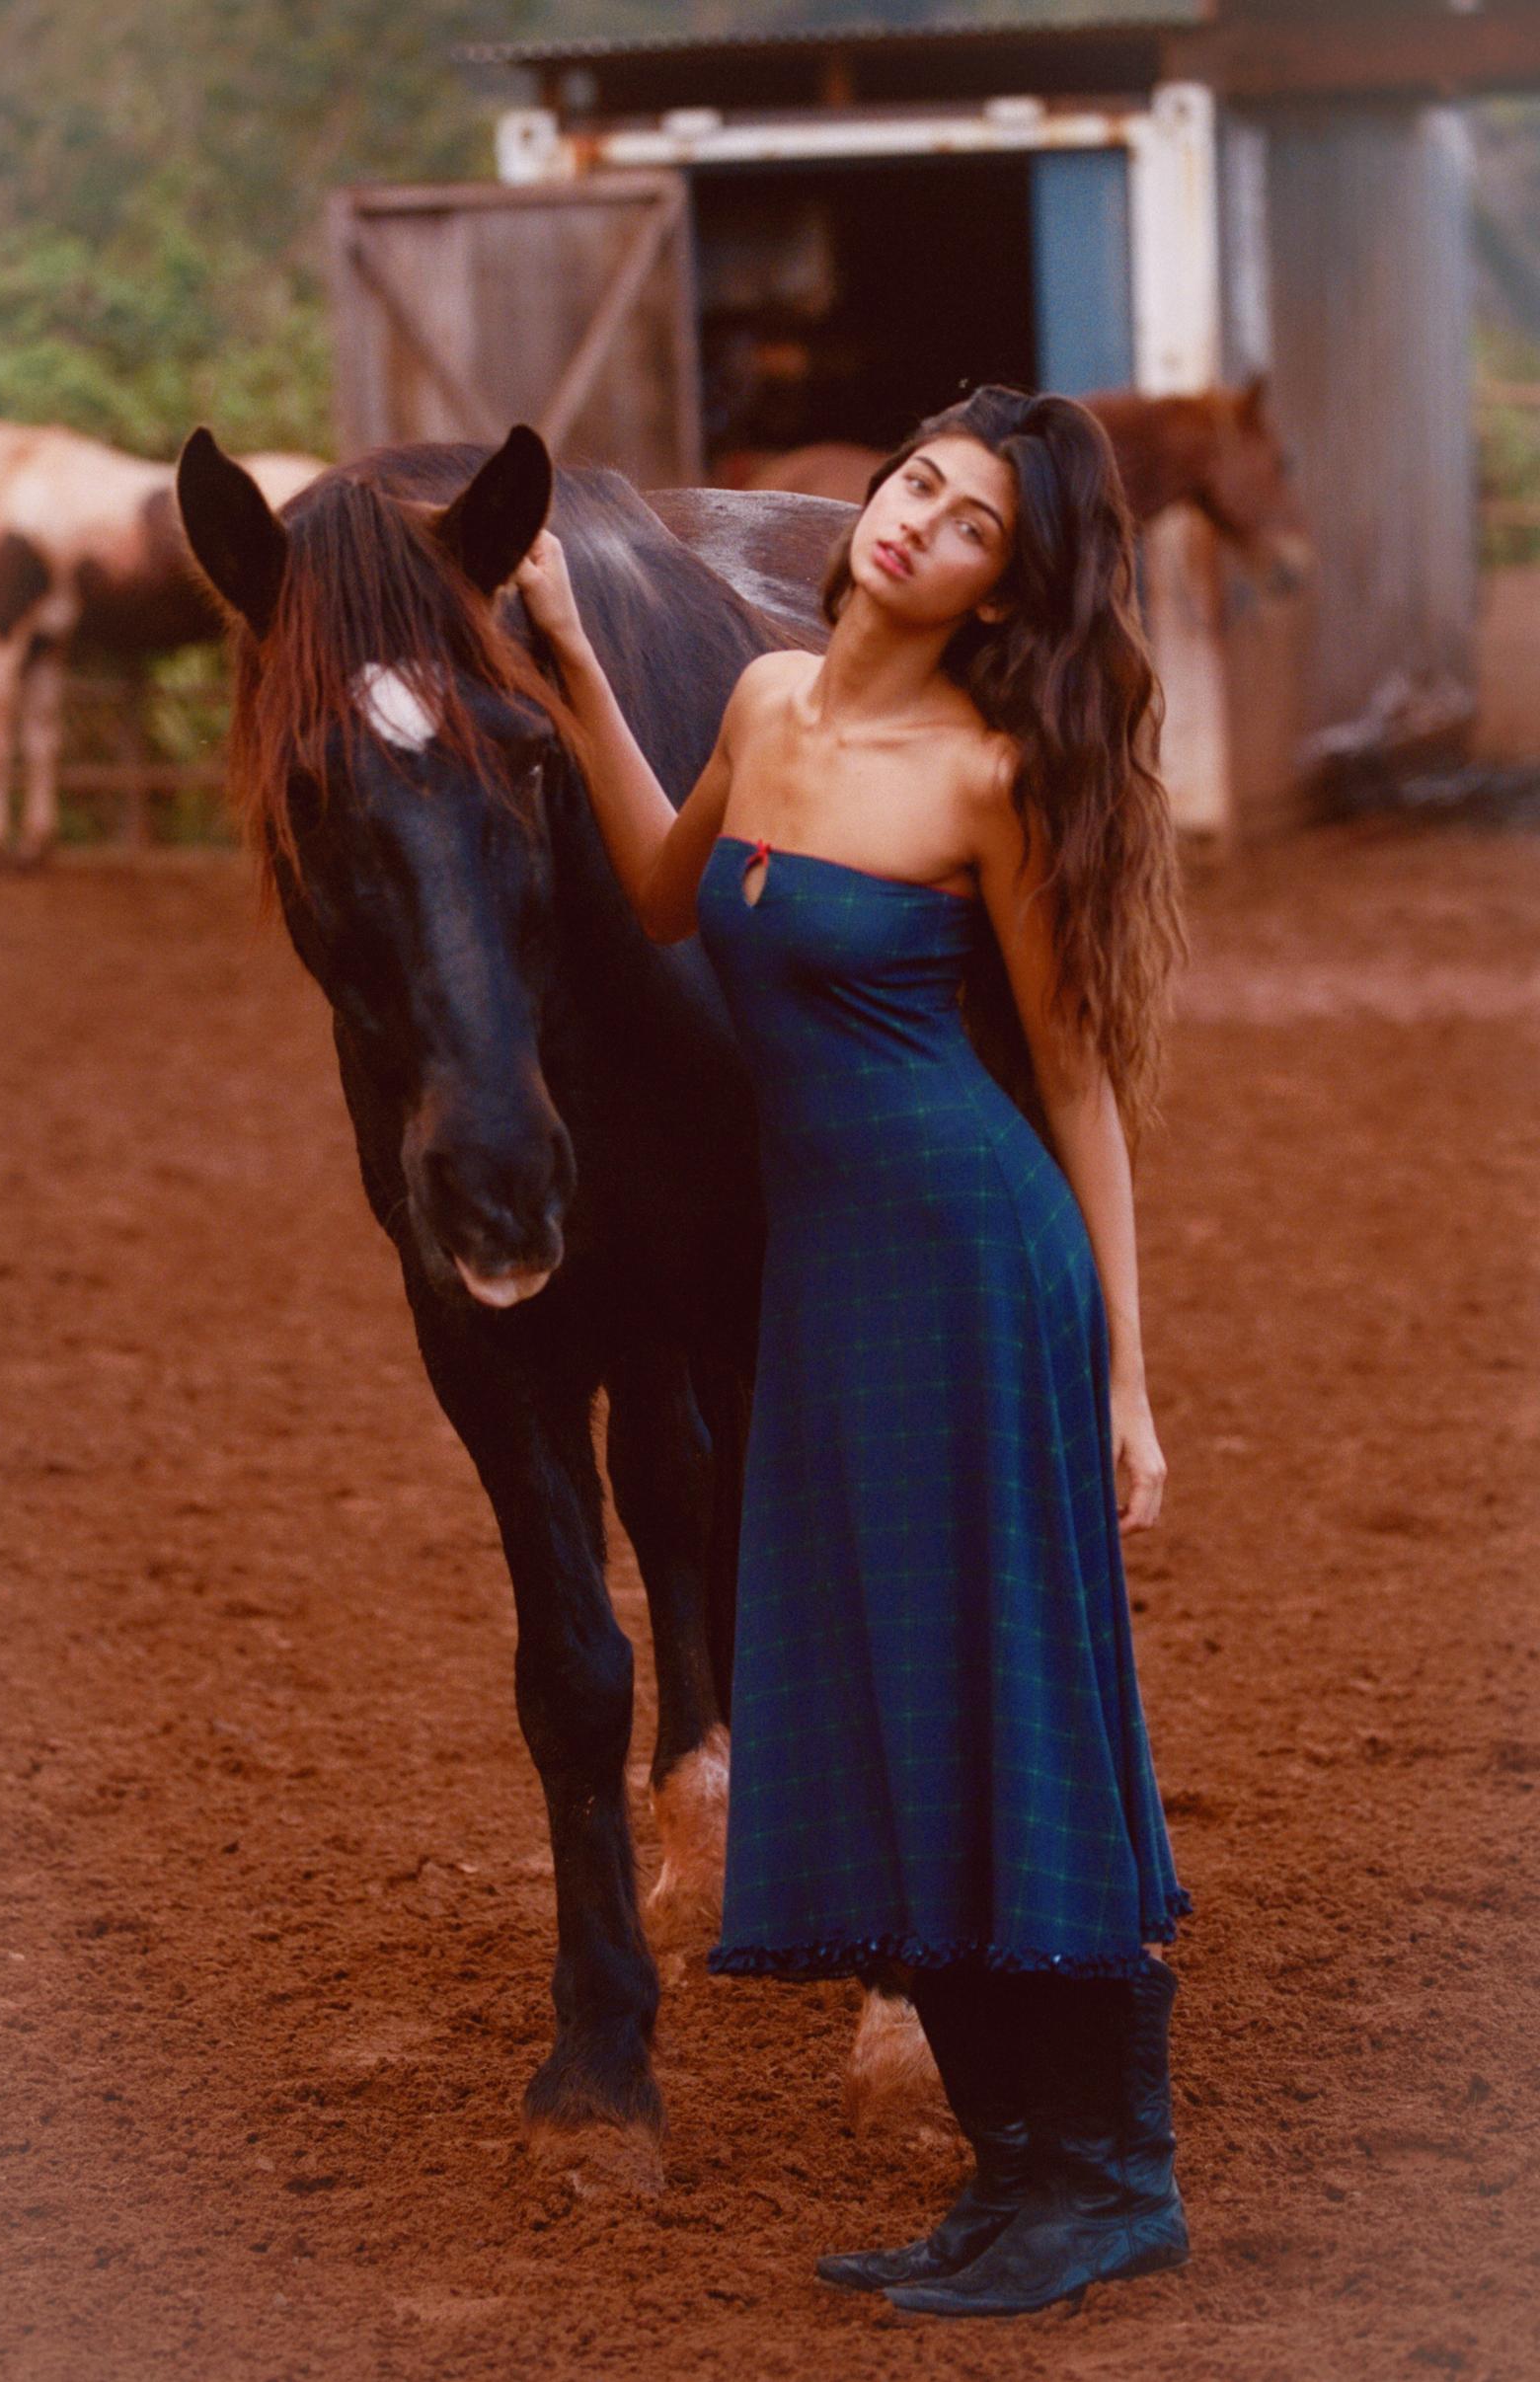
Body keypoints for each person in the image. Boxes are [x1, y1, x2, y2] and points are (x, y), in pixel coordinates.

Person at [512, 385, 1192, 2320]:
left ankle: (1108, 2172)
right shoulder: (763, 707)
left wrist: (1125, 1378)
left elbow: (1073, 1081)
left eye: (967, 520)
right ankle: (1010, 2180)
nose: (912, 523)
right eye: (911, 481)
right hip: (829, 1285)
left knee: (1006, 1701)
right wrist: (568, 656)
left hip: (972, 1266)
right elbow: (659, 897)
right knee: (897, 1710)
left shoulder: (987, 777)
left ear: (1006, 581)